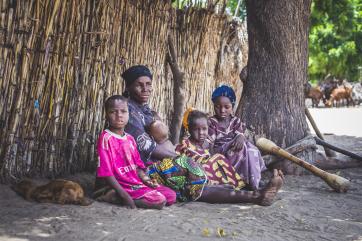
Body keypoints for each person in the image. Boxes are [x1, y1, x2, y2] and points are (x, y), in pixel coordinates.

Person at [122, 65, 284, 205]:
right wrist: (178, 157)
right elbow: (146, 146)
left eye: (148, 84)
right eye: (139, 85)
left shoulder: (147, 111)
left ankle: (255, 194)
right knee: (194, 173)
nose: (145, 89)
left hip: (161, 164)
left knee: (197, 177)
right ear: (128, 87)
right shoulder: (128, 111)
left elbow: (163, 141)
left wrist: (179, 157)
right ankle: (255, 196)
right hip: (143, 169)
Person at [93, 95, 176, 209]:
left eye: (123, 111)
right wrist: (126, 197)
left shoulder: (130, 139)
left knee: (171, 196)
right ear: (106, 115)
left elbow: (137, 167)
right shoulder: (106, 139)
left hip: (133, 183)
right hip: (116, 185)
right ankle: (114, 195)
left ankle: (121, 195)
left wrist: (147, 181)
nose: (119, 115)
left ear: (128, 114)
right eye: (113, 112)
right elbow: (107, 173)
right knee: (159, 201)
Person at [207, 85, 266, 190]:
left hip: (237, 150)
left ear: (232, 106)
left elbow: (240, 136)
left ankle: (254, 179)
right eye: (218, 106)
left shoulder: (236, 121)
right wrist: (212, 162)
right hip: (221, 154)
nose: (222, 110)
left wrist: (240, 137)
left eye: (227, 107)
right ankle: (252, 182)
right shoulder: (211, 122)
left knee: (251, 149)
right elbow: (210, 145)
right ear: (214, 106)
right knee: (242, 147)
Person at [176, 109, 245, 190]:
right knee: (208, 163)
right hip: (196, 177)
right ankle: (218, 187)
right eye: (196, 129)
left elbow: (213, 158)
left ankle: (235, 185)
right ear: (190, 130)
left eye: (204, 129)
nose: (201, 132)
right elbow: (178, 162)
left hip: (211, 174)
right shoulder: (185, 144)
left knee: (219, 157)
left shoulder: (208, 143)